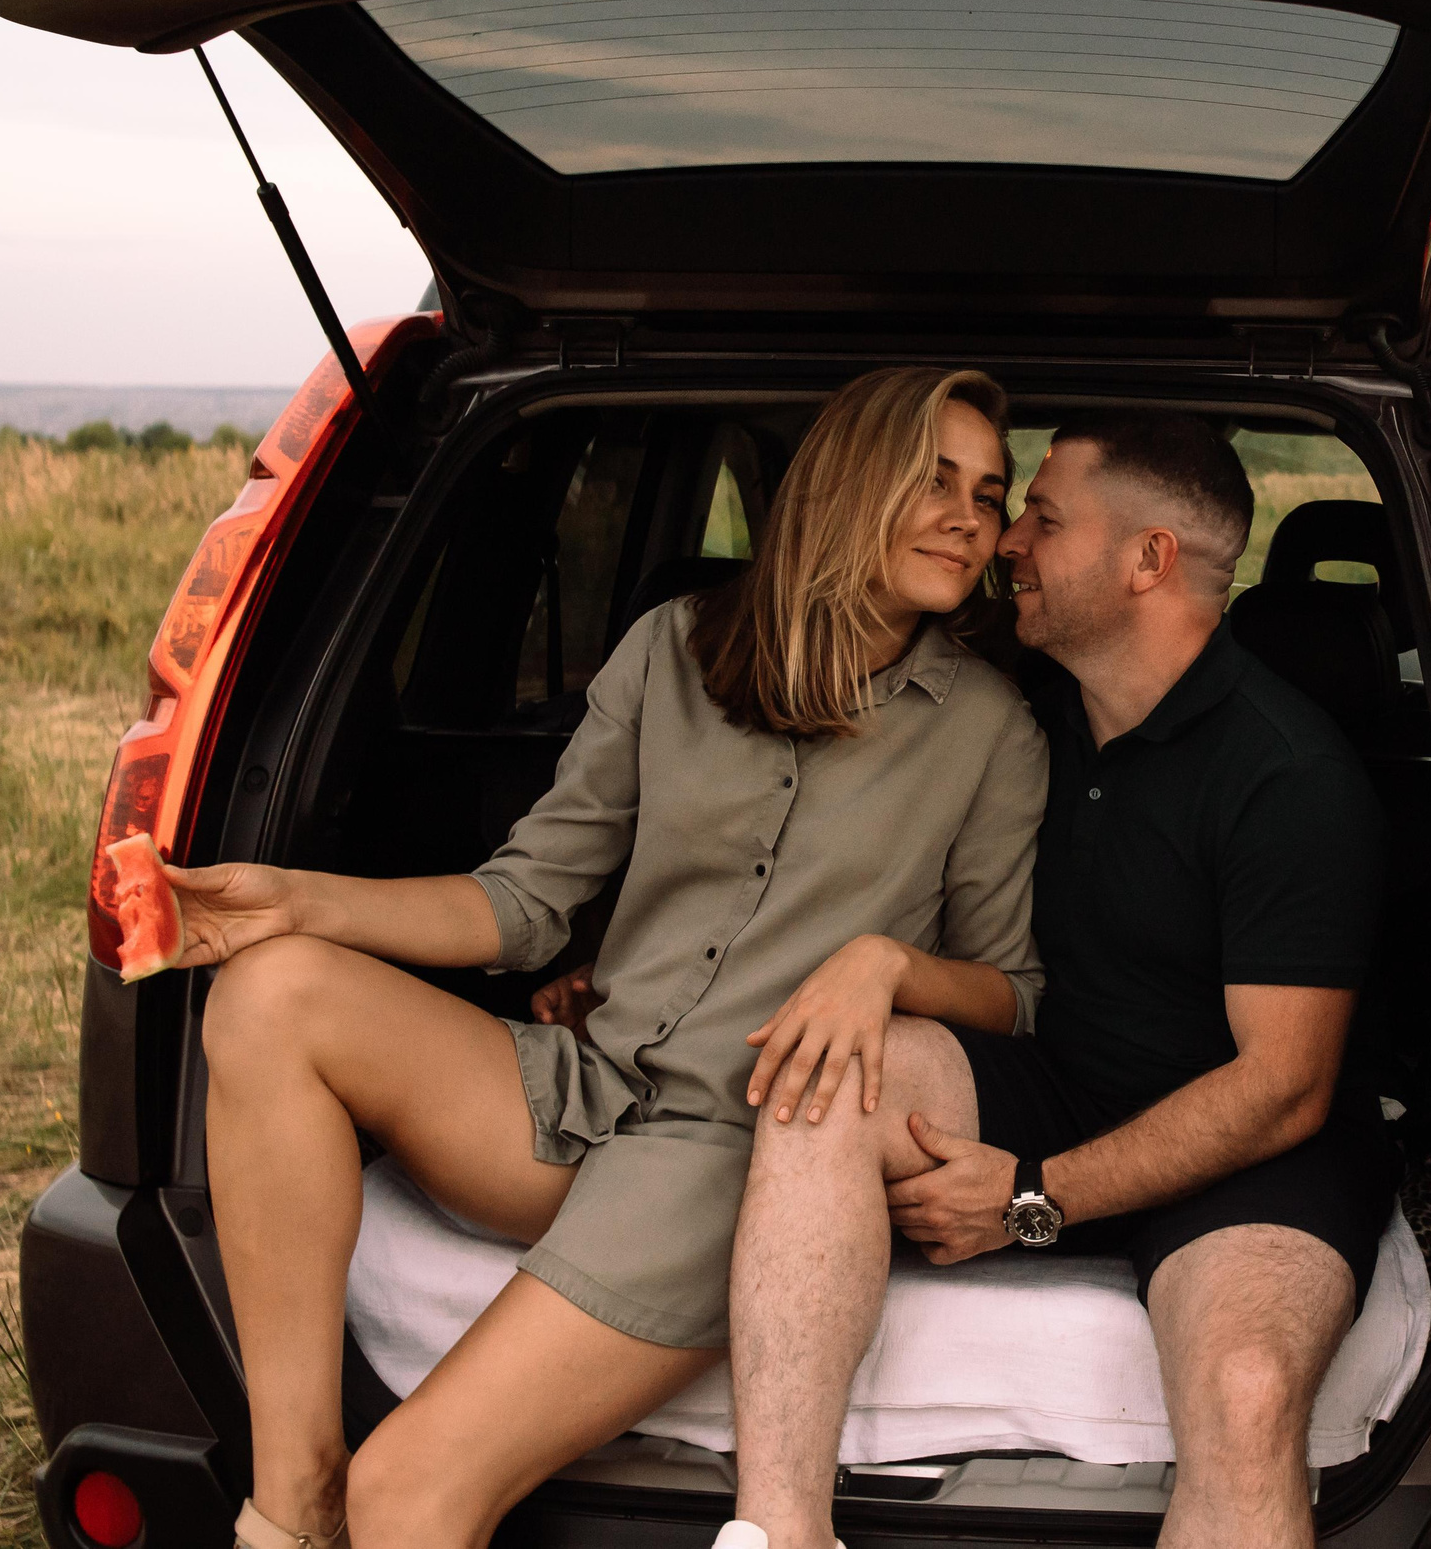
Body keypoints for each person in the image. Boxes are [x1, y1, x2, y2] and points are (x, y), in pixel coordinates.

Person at [170, 367, 1050, 1549]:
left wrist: (884, 963)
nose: (968, 515)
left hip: (727, 1156)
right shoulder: (670, 651)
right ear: (848, 482)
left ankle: (352, 1499)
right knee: (271, 990)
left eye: (990, 495)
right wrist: (299, 900)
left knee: (412, 1495)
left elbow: (1012, 997)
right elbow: (524, 903)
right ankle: (293, 1490)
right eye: (934, 479)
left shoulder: (991, 726)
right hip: (586, 1089)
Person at [710, 412, 1397, 1549]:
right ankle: (779, 1534)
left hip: (1249, 1147)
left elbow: (1282, 1088)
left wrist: (1035, 1196)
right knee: (827, 1077)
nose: (1007, 542)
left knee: (1246, 1393)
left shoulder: (1287, 774)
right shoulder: (1019, 712)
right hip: (1058, 1075)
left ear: (1147, 561)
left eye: (1042, 515)